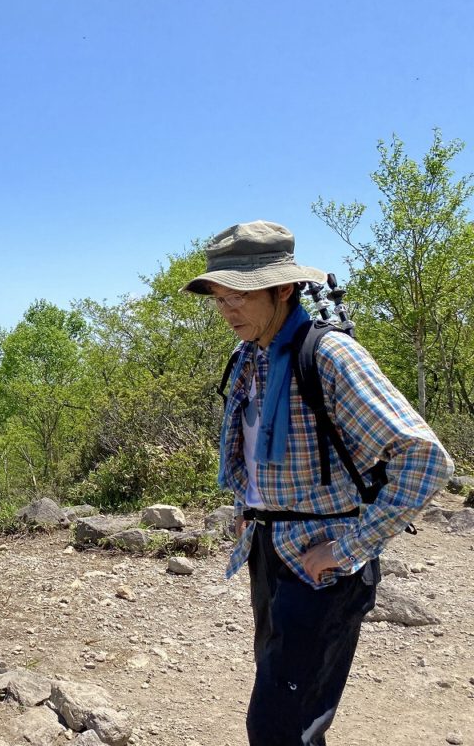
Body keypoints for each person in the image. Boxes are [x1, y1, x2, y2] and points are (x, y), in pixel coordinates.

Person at [182, 220, 453, 746]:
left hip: (322, 566)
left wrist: (347, 548)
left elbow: (425, 460)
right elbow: (260, 449)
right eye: (219, 296)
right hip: (268, 548)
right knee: (292, 715)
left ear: (283, 288)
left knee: (276, 726)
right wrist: (250, 502)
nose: (226, 309)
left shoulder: (329, 356)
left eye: (238, 294)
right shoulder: (249, 356)